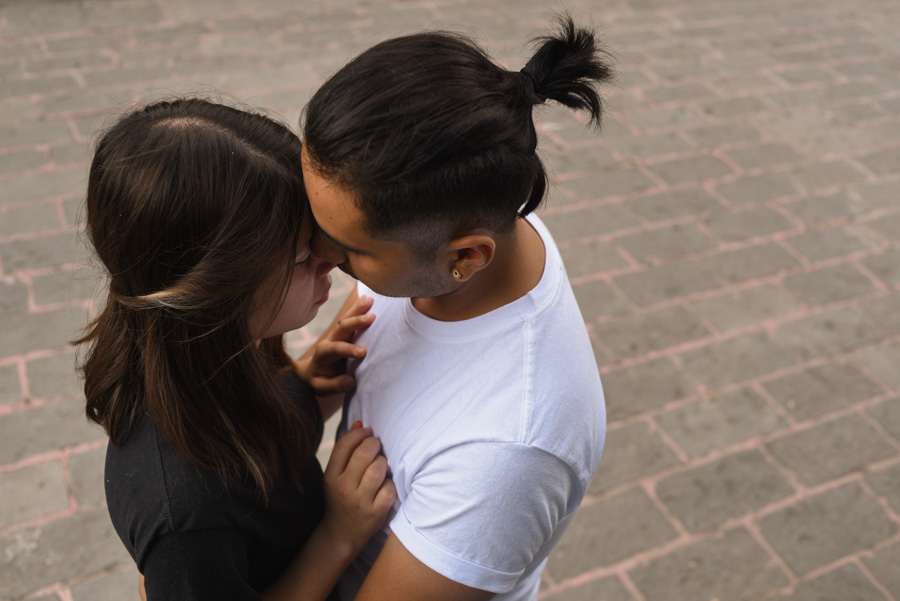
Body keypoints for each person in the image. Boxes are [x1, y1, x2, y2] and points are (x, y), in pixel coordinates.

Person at [297, 15, 611, 601]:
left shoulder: (506, 454)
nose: (317, 251)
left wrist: (330, 541)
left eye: (350, 251)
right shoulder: (458, 226)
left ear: (466, 256)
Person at [76, 98, 395, 601]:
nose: (332, 263)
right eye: (305, 256)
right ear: (214, 291)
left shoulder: (203, 355)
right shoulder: (188, 524)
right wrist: (337, 536)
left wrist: (305, 389)